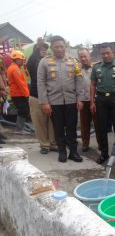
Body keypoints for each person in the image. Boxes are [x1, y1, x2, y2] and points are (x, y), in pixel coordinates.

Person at [38, 35, 85, 163]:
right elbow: (41, 83)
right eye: (56, 47)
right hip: (54, 102)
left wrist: (80, 98)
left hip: (71, 101)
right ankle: (62, 152)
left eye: (61, 47)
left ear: (65, 47)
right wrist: (44, 102)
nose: (59, 49)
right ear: (52, 48)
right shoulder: (44, 62)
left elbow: (79, 81)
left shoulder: (73, 61)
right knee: (58, 128)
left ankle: (73, 152)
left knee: (72, 128)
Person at [90, 43, 115, 164]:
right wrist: (92, 102)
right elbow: (92, 85)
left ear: (112, 52)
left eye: (108, 53)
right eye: (103, 53)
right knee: (101, 128)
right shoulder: (96, 68)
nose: (106, 55)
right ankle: (104, 154)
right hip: (101, 100)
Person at [27, 43, 57, 154]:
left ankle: (53, 143)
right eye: (41, 49)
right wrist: (37, 48)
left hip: (51, 97)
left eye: (45, 49)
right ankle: (44, 145)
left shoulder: (49, 62)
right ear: (35, 51)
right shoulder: (32, 62)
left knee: (52, 122)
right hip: (36, 96)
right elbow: (33, 58)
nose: (44, 51)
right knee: (39, 122)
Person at [78, 48, 100, 152]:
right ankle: (85, 144)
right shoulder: (77, 70)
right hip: (83, 101)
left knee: (98, 124)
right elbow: (75, 85)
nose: (83, 58)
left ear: (89, 56)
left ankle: (101, 144)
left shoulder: (97, 68)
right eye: (81, 57)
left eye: (85, 56)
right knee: (84, 124)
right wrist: (78, 99)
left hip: (95, 101)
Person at [7, 50, 30, 135]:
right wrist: (27, 94)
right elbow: (20, 83)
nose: (22, 61)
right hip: (18, 94)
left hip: (18, 93)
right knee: (23, 110)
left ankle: (21, 128)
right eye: (21, 60)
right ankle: (19, 129)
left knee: (23, 110)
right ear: (16, 59)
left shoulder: (14, 68)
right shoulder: (15, 69)